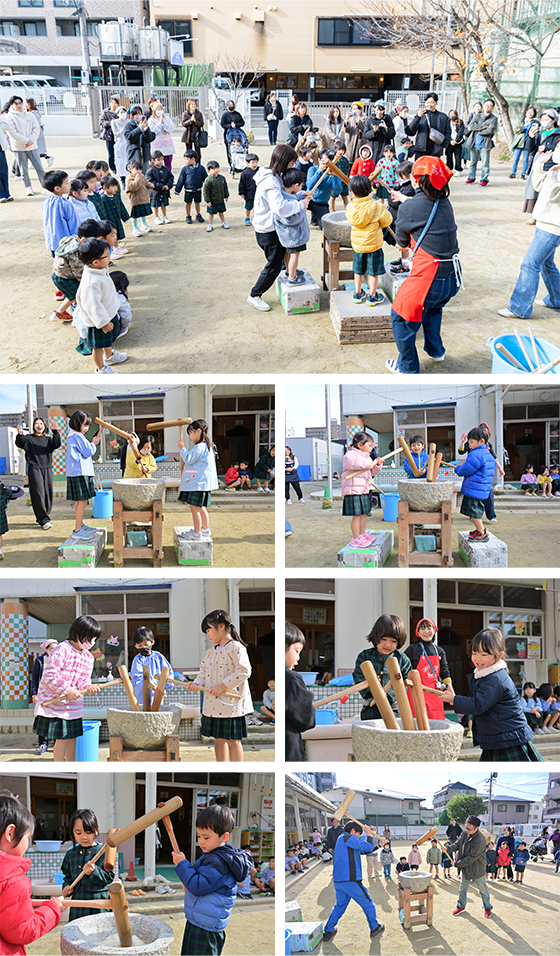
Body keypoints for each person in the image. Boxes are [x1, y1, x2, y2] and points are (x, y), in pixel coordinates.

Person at [386, 156, 460, 374]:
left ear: (416, 179)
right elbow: (424, 206)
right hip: (452, 278)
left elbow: (401, 243)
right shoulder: (444, 202)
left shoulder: (410, 207)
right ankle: (436, 351)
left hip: (430, 277)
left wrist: (404, 205)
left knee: (400, 316)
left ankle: (407, 368)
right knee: (433, 308)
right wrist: (405, 200)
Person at [441, 627, 543, 761]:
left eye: (484, 654)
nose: (477, 658)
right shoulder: (489, 675)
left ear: (499, 656)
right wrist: (455, 700)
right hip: (501, 736)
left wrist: (454, 699)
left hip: (508, 738)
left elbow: (478, 705)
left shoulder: (495, 678)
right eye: (474, 653)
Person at [173, 803, 251, 956]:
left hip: (205, 929)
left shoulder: (219, 862)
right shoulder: (214, 856)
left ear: (224, 837)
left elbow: (197, 885)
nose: (201, 841)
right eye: (198, 836)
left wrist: (182, 864)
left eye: (206, 837)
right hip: (201, 921)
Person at [500, 139, 560, 317]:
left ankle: (520, 308)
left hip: (553, 227)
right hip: (545, 223)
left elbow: (554, 196)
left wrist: (551, 174)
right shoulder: (556, 169)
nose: (555, 149)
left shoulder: (556, 172)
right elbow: (538, 185)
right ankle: (557, 300)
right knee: (546, 264)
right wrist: (539, 165)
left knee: (530, 264)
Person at [248, 144, 311, 311]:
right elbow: (280, 207)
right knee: (274, 264)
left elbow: (285, 194)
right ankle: (254, 294)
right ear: (284, 161)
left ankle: (290, 273)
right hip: (266, 230)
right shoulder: (270, 181)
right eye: (291, 163)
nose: (293, 166)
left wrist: (299, 194)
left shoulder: (276, 175)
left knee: (284, 253)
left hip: (274, 227)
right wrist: (300, 205)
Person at [0, 791, 64, 953]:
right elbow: (22, 931)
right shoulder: (13, 880)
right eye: (28, 838)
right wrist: (53, 909)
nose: (28, 845)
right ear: (10, 833)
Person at [186, 610, 253, 763]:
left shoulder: (236, 647)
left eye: (209, 630)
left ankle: (235, 770)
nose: (208, 635)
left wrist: (222, 686)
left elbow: (244, 671)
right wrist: (196, 684)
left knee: (233, 740)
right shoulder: (210, 652)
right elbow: (203, 672)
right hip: (213, 705)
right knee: (218, 739)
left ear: (221, 626)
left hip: (231, 704)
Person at [33, 615, 102, 761]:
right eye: (90, 639)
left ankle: (71, 767)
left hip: (73, 705)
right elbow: (50, 675)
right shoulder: (62, 649)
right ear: (79, 634)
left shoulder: (88, 657)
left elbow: (84, 679)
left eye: (94, 639)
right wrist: (68, 690)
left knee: (72, 738)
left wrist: (88, 687)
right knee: (62, 739)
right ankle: (61, 768)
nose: (92, 643)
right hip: (56, 703)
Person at [323, 821, 384, 942]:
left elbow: (366, 850)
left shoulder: (343, 839)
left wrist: (380, 845)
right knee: (368, 903)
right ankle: (374, 927)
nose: (359, 837)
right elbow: (367, 846)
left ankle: (328, 930)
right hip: (350, 879)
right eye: (358, 834)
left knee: (340, 906)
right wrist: (368, 833)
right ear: (352, 831)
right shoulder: (347, 837)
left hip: (339, 881)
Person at [76, 239, 128, 373]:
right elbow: (93, 306)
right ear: (95, 262)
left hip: (107, 314)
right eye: (106, 255)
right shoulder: (91, 283)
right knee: (97, 347)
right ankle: (100, 369)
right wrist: (103, 322)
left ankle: (110, 356)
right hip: (98, 322)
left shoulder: (99, 270)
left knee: (106, 341)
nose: (109, 257)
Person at [353, 614, 412, 719]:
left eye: (393, 641)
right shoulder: (364, 656)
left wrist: (388, 694)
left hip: (394, 710)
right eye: (384, 639)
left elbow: (406, 682)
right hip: (370, 709)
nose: (387, 645)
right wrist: (373, 689)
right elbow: (358, 677)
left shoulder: (402, 659)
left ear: (399, 641)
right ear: (376, 637)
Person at [345, 174, 392, 308]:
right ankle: (372, 295)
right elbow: (387, 221)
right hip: (373, 246)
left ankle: (357, 293)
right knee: (373, 273)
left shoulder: (350, 207)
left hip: (358, 246)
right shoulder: (377, 206)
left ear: (352, 193)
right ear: (370, 189)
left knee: (358, 271)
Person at [61, 809, 115, 919]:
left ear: (96, 831)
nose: (84, 837)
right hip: (78, 902)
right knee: (77, 928)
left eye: (88, 832)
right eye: (78, 833)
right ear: (73, 832)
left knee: (100, 928)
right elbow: (67, 876)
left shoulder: (104, 852)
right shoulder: (71, 854)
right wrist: (67, 886)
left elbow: (109, 877)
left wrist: (93, 872)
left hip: (99, 902)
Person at [454, 427, 501, 542]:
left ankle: (481, 533)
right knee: (475, 512)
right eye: (469, 442)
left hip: (474, 489)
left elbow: (466, 470)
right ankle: (479, 530)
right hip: (481, 488)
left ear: (482, 441)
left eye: (471, 442)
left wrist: (458, 469)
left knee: (474, 513)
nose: (469, 445)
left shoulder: (476, 454)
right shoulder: (488, 454)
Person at [50, 218, 101, 322]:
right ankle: (59, 313)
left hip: (58, 273)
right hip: (64, 278)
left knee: (74, 293)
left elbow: (61, 242)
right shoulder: (77, 253)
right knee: (75, 294)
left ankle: (75, 306)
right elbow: (79, 274)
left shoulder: (72, 239)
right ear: (83, 240)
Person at [16, 418, 60, 530]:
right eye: (37, 424)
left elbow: (57, 444)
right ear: (33, 426)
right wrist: (20, 435)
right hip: (35, 469)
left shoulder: (48, 439)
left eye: (41, 424)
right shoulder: (29, 438)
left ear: (44, 426)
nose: (39, 426)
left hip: (47, 468)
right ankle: (44, 519)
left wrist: (55, 432)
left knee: (47, 494)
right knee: (38, 493)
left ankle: (42, 516)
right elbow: (20, 443)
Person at [405, 618, 454, 719]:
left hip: (434, 693)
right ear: (418, 632)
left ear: (435, 630)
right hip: (416, 692)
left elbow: (445, 672)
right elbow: (402, 668)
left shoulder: (439, 651)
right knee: (416, 721)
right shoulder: (412, 649)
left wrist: (451, 692)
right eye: (422, 629)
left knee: (436, 722)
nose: (426, 631)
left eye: (429, 628)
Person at [178, 419, 218, 540]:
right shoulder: (207, 446)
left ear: (199, 431)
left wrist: (182, 448)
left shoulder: (199, 447)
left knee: (194, 508)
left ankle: (196, 532)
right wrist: (184, 467)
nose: (190, 437)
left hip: (197, 484)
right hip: (202, 483)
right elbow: (195, 464)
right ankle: (205, 529)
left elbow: (188, 458)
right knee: (200, 507)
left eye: (191, 433)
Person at [342, 431, 383, 547]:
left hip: (364, 489)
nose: (371, 449)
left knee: (363, 513)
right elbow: (356, 463)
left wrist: (377, 465)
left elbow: (371, 472)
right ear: (360, 445)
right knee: (357, 515)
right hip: (353, 490)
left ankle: (362, 533)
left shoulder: (367, 457)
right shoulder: (350, 455)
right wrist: (370, 463)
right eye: (369, 446)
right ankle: (356, 538)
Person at [447, 815, 492, 918]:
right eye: (466, 827)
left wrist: (457, 864)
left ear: (477, 828)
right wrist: (448, 848)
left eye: (469, 829)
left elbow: (471, 858)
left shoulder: (480, 840)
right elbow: (457, 844)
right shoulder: (464, 833)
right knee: (462, 887)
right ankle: (461, 906)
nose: (466, 830)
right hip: (466, 867)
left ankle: (487, 907)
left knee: (482, 889)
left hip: (477, 868)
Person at [3, 94, 45, 195]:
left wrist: (30, 141)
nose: (19, 105)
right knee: (23, 170)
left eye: (20, 103)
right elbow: (12, 133)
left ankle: (45, 186)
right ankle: (28, 187)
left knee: (39, 167)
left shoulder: (30, 115)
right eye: (16, 103)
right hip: (18, 148)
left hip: (32, 146)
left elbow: (36, 128)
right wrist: (26, 141)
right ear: (11, 105)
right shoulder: (9, 117)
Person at [273, 167, 309, 283]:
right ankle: (292, 278)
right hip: (293, 235)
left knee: (289, 253)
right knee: (294, 255)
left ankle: (290, 271)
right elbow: (292, 220)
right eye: (301, 185)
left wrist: (302, 196)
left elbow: (296, 197)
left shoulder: (283, 194)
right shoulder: (285, 202)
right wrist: (303, 206)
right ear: (296, 185)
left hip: (290, 235)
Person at [285, 621, 315, 761]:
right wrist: (310, 708)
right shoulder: (292, 678)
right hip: (290, 748)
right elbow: (305, 720)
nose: (298, 658)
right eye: (296, 651)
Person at [41, 169, 80, 263]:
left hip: (52, 242)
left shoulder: (46, 201)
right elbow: (73, 223)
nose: (69, 185)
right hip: (67, 243)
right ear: (57, 188)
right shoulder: (65, 203)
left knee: (57, 264)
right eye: (66, 183)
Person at [129, 626, 172, 704]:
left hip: (158, 694)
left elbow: (168, 673)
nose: (144, 647)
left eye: (146, 644)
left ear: (152, 642)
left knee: (157, 709)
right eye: (140, 646)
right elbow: (137, 677)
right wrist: (148, 684)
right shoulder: (137, 660)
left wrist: (164, 686)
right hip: (142, 697)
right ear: (135, 646)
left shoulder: (159, 657)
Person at [30, 639, 57, 754]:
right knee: (42, 718)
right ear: (46, 649)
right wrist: (34, 694)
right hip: (42, 694)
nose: (55, 651)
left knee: (56, 718)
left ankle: (57, 744)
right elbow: (34, 678)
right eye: (52, 648)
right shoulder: (40, 661)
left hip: (56, 694)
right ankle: (43, 743)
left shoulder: (60, 660)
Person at [405, 92, 451, 160]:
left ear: (436, 103)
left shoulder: (443, 116)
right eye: (427, 102)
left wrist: (444, 144)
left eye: (432, 102)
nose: (429, 105)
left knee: (433, 167)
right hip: (421, 149)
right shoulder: (421, 115)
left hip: (436, 150)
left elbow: (448, 131)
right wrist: (417, 117)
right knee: (420, 167)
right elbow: (412, 129)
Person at [465, 98, 498, 186]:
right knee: (473, 162)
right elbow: (471, 126)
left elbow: (490, 130)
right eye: (486, 105)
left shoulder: (494, 118)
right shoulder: (477, 116)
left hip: (485, 145)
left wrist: (478, 129)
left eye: (490, 105)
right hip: (474, 143)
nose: (487, 107)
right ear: (483, 105)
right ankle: (471, 177)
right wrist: (483, 127)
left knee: (485, 163)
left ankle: (484, 179)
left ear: (492, 107)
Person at [96, 175, 131, 246]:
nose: (115, 188)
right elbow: (103, 212)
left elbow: (122, 207)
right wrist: (104, 222)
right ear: (105, 188)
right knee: (110, 235)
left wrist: (125, 217)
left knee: (116, 234)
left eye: (116, 185)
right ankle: (112, 248)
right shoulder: (103, 199)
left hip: (117, 219)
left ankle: (116, 246)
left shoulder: (117, 196)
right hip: (109, 221)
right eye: (112, 186)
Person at [175, 149, 207, 224]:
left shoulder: (201, 168)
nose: (185, 161)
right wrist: (177, 190)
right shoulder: (185, 169)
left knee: (197, 202)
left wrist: (209, 188)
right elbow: (181, 180)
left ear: (193, 159)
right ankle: (188, 216)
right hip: (188, 190)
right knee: (188, 203)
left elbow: (206, 179)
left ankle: (198, 214)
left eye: (186, 159)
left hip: (198, 189)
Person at [123, 106, 156, 173]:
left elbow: (150, 138)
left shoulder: (144, 124)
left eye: (140, 114)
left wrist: (146, 130)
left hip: (145, 155)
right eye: (136, 114)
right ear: (132, 115)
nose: (138, 116)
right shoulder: (128, 126)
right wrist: (139, 129)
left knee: (145, 174)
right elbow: (130, 137)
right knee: (134, 174)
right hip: (134, 155)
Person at [510, 106, 539, 179]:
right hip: (519, 143)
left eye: (532, 112)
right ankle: (513, 173)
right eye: (528, 112)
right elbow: (516, 130)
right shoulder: (521, 121)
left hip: (528, 143)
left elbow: (536, 132)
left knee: (525, 159)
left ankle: (523, 174)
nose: (529, 113)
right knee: (516, 158)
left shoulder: (535, 123)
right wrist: (524, 127)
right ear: (526, 112)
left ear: (534, 114)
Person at [146, 150, 174, 224]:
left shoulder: (166, 169)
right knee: (155, 205)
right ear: (153, 160)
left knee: (163, 204)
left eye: (162, 159)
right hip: (154, 191)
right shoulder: (150, 170)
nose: (161, 161)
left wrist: (168, 185)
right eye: (158, 160)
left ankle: (164, 216)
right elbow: (150, 181)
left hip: (164, 190)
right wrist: (161, 186)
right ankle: (156, 217)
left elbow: (170, 177)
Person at [25, 97, 53, 168]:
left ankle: (48, 158)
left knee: (35, 150)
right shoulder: (31, 112)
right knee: (36, 151)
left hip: (36, 134)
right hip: (34, 133)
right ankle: (47, 158)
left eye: (27, 103)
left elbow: (35, 125)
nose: (25, 105)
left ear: (31, 104)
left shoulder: (34, 113)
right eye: (25, 103)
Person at [203, 160, 230, 232]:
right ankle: (210, 224)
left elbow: (225, 187)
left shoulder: (222, 178)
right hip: (212, 201)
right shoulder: (208, 180)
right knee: (211, 213)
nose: (216, 170)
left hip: (220, 199)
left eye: (217, 168)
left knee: (221, 212)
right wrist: (207, 200)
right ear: (209, 171)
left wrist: (226, 195)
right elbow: (206, 191)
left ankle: (223, 222)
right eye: (213, 169)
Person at [147, 101, 175, 170]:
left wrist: (164, 124)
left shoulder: (167, 118)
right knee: (157, 162)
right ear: (154, 111)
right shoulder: (151, 120)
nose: (159, 111)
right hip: (157, 145)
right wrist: (160, 123)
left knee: (168, 163)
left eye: (161, 109)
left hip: (167, 145)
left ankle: (168, 175)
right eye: (157, 109)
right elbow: (153, 131)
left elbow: (171, 129)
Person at [220, 100, 245, 171]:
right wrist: (230, 125)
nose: (231, 106)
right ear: (227, 106)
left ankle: (241, 164)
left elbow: (242, 123)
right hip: (228, 135)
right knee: (229, 150)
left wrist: (235, 125)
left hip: (237, 134)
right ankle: (231, 164)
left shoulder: (237, 114)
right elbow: (223, 124)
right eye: (230, 105)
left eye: (232, 105)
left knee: (241, 149)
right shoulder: (225, 115)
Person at [181, 98, 205, 163]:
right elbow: (183, 124)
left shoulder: (199, 113)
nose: (193, 106)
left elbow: (201, 124)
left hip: (197, 135)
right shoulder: (185, 113)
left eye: (194, 104)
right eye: (192, 104)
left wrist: (195, 121)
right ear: (189, 105)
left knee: (198, 152)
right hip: (188, 135)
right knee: (189, 151)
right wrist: (190, 120)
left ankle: (198, 164)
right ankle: (189, 164)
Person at [238, 152, 260, 226]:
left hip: (258, 193)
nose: (255, 164)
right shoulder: (245, 173)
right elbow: (242, 183)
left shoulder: (260, 171)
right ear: (247, 163)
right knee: (248, 207)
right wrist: (242, 192)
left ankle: (257, 218)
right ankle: (247, 217)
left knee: (257, 207)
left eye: (256, 162)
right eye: (252, 162)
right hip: (249, 194)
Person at [99, 96, 119, 171]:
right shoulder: (105, 112)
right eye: (112, 102)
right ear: (109, 103)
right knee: (111, 152)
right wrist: (110, 123)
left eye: (115, 103)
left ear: (117, 104)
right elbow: (101, 122)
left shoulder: (119, 112)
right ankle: (112, 167)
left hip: (118, 134)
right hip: (109, 135)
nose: (113, 104)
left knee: (119, 151)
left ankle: (118, 165)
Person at [110, 269, 132, 338]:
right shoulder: (119, 298)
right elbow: (126, 314)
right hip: (107, 329)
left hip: (86, 330)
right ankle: (119, 331)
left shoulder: (97, 292)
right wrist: (124, 325)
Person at [111, 106, 129, 186]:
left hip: (128, 144)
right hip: (120, 145)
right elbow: (116, 134)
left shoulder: (129, 121)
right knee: (120, 163)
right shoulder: (114, 122)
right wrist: (123, 129)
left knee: (129, 162)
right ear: (117, 114)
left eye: (124, 112)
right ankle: (123, 180)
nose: (123, 114)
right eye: (121, 112)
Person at [329, 141, 350, 211]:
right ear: (335, 149)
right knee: (333, 197)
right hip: (335, 182)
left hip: (343, 181)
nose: (341, 152)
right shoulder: (332, 160)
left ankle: (347, 211)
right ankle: (332, 210)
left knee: (345, 197)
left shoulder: (345, 160)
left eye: (343, 150)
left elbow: (347, 170)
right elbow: (329, 171)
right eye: (339, 150)